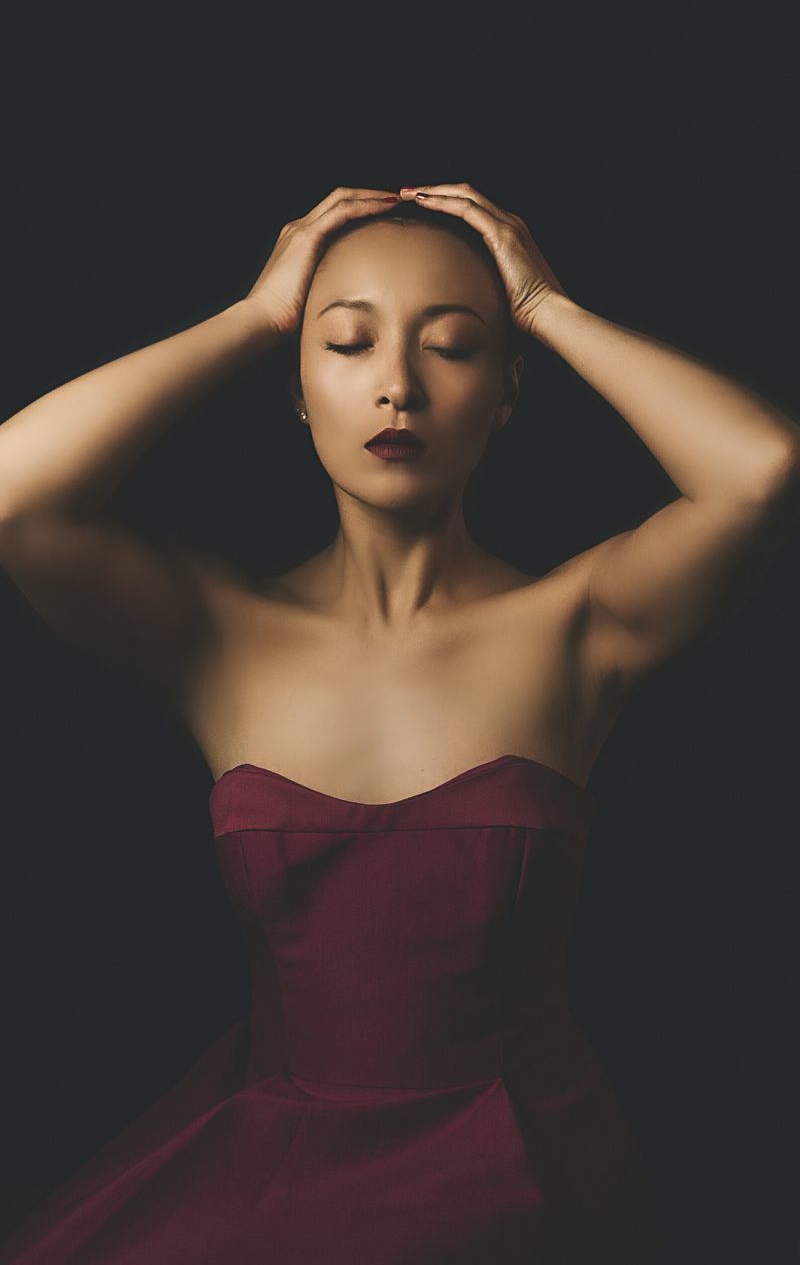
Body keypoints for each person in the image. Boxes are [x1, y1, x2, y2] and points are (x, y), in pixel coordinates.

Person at [1, 181, 798, 1263]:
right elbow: (13, 491)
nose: (396, 387)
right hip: (279, 1160)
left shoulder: (578, 623)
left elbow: (759, 470)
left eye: (453, 345)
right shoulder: (218, 633)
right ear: (296, 385)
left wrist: (544, 303)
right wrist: (252, 315)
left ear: (508, 390)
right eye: (345, 342)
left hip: (522, 1175)